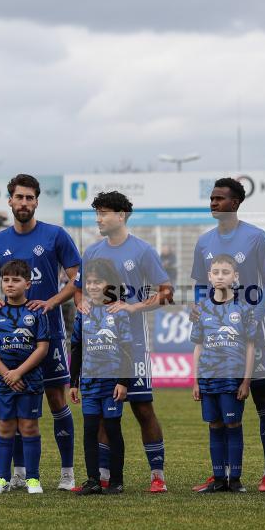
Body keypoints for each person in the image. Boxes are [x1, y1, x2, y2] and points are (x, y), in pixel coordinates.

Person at [0, 174, 81, 491]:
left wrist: (50, 302)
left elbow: (77, 277)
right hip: (11, 340)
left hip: (47, 334)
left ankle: (67, 473)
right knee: (14, 401)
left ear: (37, 201)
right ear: (9, 201)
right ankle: (19, 474)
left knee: (55, 399)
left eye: (29, 198)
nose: (24, 203)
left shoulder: (55, 235)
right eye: (18, 197)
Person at [76, 190, 173, 493]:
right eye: (97, 213)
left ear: (121, 215)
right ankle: (103, 477)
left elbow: (166, 292)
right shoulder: (91, 252)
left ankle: (157, 475)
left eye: (104, 213)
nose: (99, 219)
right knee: (103, 415)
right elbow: (79, 289)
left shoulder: (142, 251)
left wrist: (135, 307)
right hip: (98, 348)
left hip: (133, 345)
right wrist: (81, 303)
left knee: (142, 408)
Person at [190, 177, 265, 491]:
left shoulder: (256, 237)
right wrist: (198, 306)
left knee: (261, 397)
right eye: (212, 198)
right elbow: (201, 285)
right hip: (219, 338)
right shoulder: (204, 241)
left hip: (252, 329)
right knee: (221, 411)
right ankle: (223, 473)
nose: (213, 202)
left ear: (236, 203)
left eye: (220, 198)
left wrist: (255, 314)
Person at [190, 254, 257, 493]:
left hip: (232, 378)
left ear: (235, 276)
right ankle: (219, 479)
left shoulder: (244, 308)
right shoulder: (202, 309)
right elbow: (198, 345)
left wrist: (246, 380)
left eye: (225, 272)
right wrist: (196, 380)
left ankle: (235, 479)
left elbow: (250, 345)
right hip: (208, 378)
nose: (220, 276)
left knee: (233, 424)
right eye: (215, 272)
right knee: (214, 425)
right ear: (209, 276)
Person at [0, 260, 50, 495]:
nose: (10, 284)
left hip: (30, 379)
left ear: (28, 284)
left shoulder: (37, 313)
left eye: (16, 280)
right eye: (6, 280)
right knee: (5, 426)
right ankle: (1, 478)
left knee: (29, 427)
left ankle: (33, 479)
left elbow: (42, 348)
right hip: (3, 379)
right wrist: (6, 374)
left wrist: (19, 372)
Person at [69, 258, 133, 495]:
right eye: (89, 282)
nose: (93, 286)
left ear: (109, 283)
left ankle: (116, 480)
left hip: (112, 382)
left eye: (98, 281)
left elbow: (128, 348)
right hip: (90, 383)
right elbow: (76, 348)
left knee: (113, 429)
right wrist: (73, 382)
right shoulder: (82, 312)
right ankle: (93, 480)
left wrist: (123, 381)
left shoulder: (118, 311)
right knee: (90, 430)